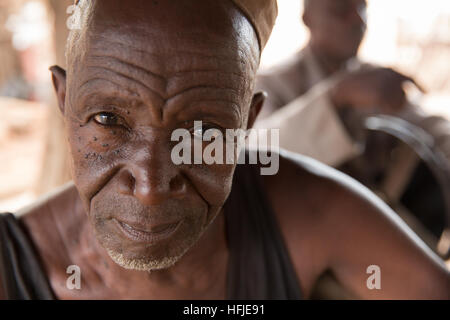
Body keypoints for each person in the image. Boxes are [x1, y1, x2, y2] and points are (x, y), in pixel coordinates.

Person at [0, 0, 449, 300]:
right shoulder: (12, 266)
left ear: (247, 124)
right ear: (63, 99)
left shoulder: (306, 209)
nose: (152, 186)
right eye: (108, 120)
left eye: (204, 130)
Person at [255, 0, 450, 241]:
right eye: (341, 10)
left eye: (362, 8)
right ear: (308, 18)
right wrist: (337, 97)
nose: (358, 20)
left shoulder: (375, 80)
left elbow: (432, 130)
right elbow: (257, 154)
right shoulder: (271, 83)